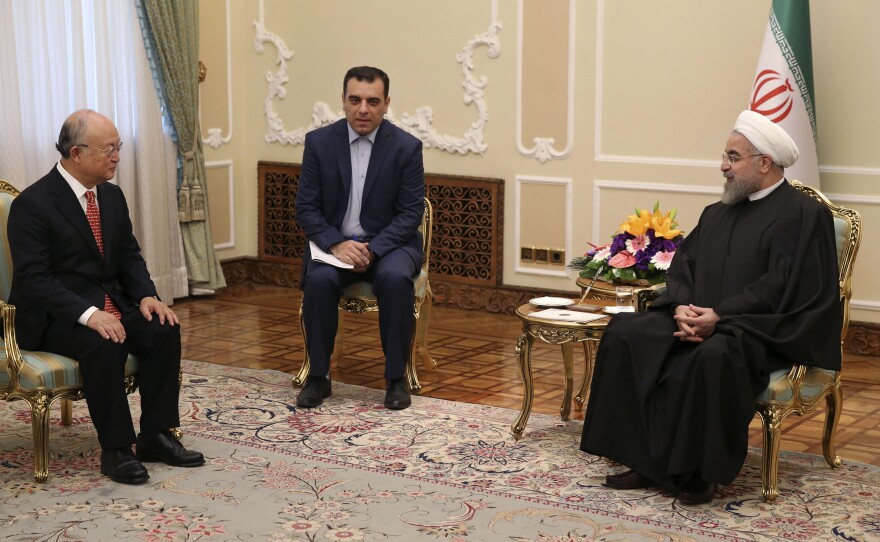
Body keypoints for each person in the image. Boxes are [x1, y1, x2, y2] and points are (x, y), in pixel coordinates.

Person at [579, 110, 841, 505]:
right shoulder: (717, 212)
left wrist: (720, 317)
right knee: (626, 333)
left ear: (764, 162)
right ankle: (641, 458)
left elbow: (783, 285)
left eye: (733, 157)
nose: (723, 166)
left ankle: (697, 473)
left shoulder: (803, 214)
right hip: (696, 316)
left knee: (713, 355)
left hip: (756, 329)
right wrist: (682, 307)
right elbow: (685, 266)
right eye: (725, 156)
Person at [7, 109, 204, 485]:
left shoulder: (111, 196)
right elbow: (34, 280)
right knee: (104, 340)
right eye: (108, 149)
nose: (117, 157)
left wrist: (147, 296)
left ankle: (156, 436)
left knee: (163, 327)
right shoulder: (33, 204)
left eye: (118, 147)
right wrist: (88, 314)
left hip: (110, 304)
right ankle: (116, 450)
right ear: (76, 153)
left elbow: (128, 255)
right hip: (55, 317)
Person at [295, 66, 425, 410]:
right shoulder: (319, 143)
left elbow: (410, 214)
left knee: (395, 279)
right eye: (355, 100)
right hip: (334, 245)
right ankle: (318, 377)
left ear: (386, 104)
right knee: (319, 281)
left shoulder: (406, 147)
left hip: (389, 245)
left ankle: (396, 379)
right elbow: (306, 208)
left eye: (372, 101)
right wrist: (336, 244)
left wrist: (373, 250)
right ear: (343, 101)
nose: (363, 109)